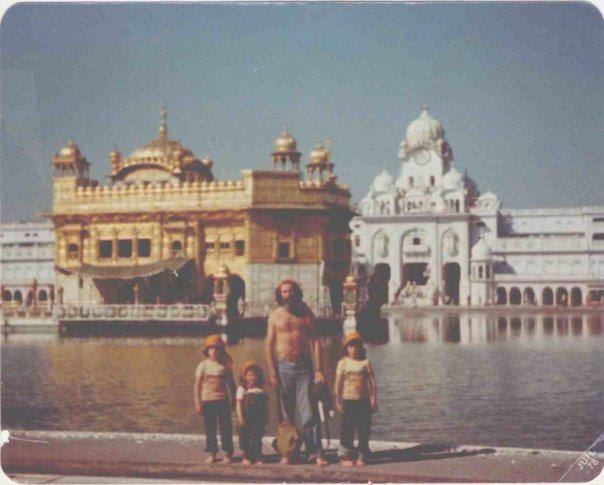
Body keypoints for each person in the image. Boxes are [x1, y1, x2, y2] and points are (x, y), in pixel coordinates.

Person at [266, 279, 328, 466]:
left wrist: (319, 370)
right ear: (280, 294)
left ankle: (314, 453)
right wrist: (272, 372)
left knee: (309, 412)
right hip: (283, 366)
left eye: (291, 291)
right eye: (285, 292)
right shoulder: (275, 315)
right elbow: (268, 345)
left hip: (304, 367)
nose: (288, 294)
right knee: (286, 414)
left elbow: (315, 342)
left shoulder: (306, 313)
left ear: (297, 292)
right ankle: (288, 453)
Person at [335, 332, 378, 466]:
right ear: (346, 348)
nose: (353, 349)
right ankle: (345, 456)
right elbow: (338, 383)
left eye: (356, 346)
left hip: (363, 401)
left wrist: (373, 399)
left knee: (364, 429)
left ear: (361, 348)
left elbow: (373, 383)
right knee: (347, 429)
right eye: (350, 346)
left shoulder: (365, 362)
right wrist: (337, 400)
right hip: (348, 400)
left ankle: (363, 454)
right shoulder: (343, 363)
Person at [194, 335, 236, 464]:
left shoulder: (225, 366)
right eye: (211, 349)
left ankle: (228, 452)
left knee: (226, 428)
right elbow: (197, 385)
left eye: (216, 349)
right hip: (207, 401)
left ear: (221, 350)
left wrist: (233, 399)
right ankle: (212, 452)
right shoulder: (203, 366)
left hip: (222, 400)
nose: (214, 351)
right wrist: (197, 402)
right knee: (210, 428)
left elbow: (231, 384)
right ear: (207, 351)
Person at [236, 361, 268, 465]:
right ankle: (246, 456)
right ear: (245, 376)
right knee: (245, 436)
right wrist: (241, 418)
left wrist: (266, 416)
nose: (252, 377)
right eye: (250, 375)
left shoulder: (261, 388)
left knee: (257, 436)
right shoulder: (242, 388)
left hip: (259, 417)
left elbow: (266, 404)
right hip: (246, 417)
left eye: (255, 375)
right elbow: (239, 403)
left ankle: (257, 455)